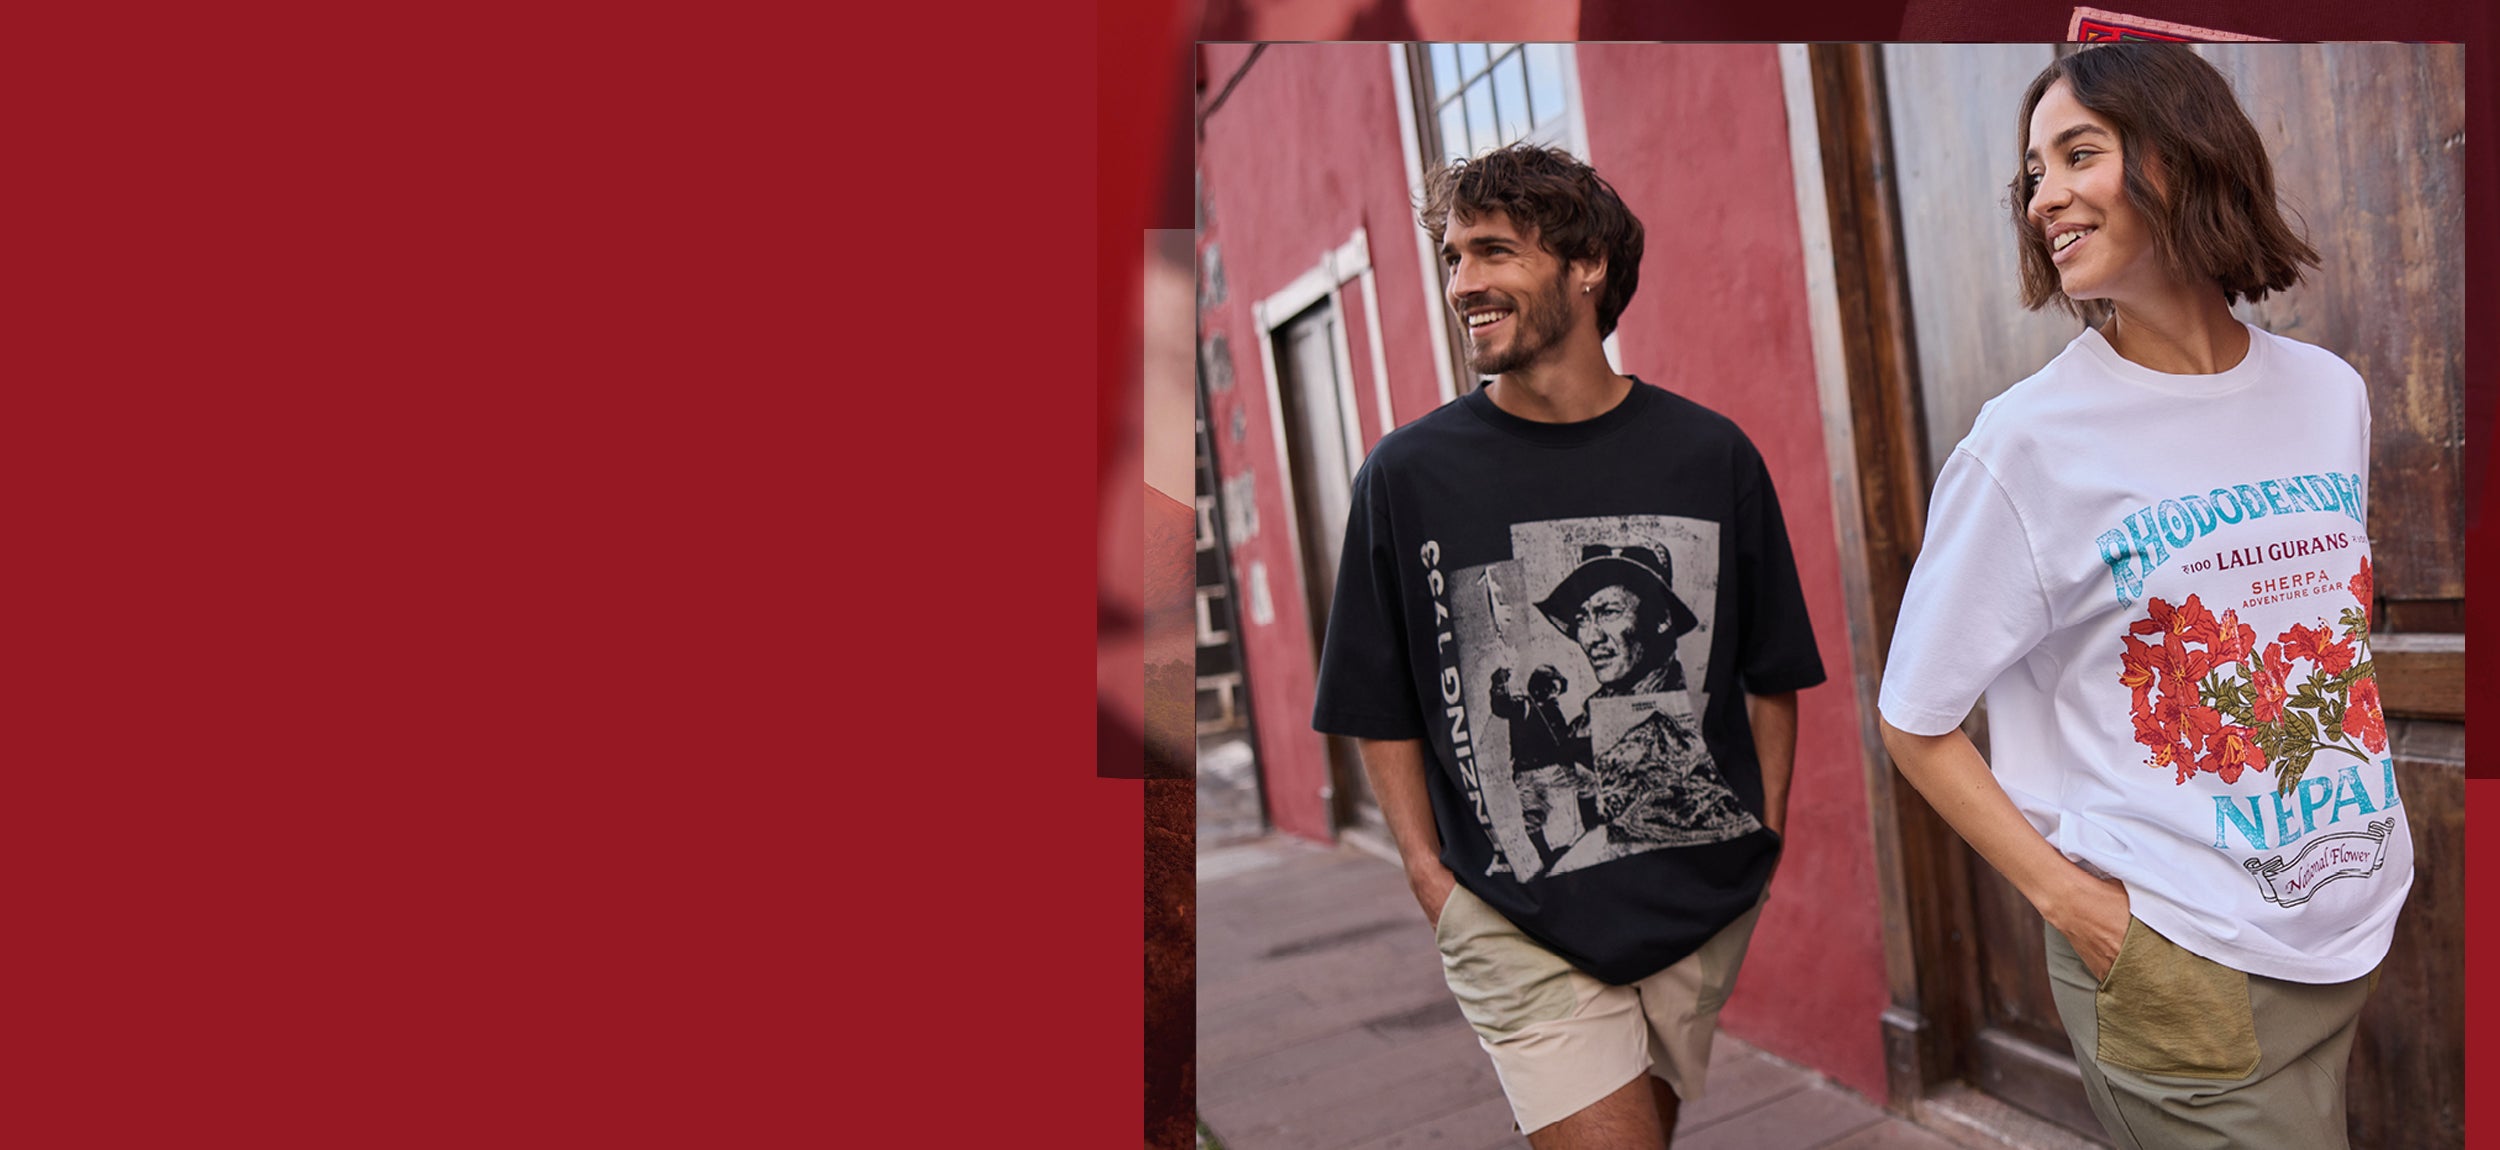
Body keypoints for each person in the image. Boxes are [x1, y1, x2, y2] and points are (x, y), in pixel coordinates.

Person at [1876, 43, 2411, 1150]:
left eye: (2080, 153)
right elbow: (1914, 717)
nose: (2044, 197)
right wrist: (2077, 908)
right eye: (2032, 171)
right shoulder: (2026, 445)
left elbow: (2326, 634)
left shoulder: (2327, 394)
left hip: (2343, 920)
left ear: (2183, 156)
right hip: (2179, 958)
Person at [1312, 142, 1825, 1148]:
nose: (1463, 284)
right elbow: (1375, 702)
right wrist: (1430, 877)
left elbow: (1771, 670)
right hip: (1511, 914)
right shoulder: (1406, 474)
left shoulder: (1708, 454)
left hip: (1695, 901)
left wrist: (1758, 837)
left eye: (1492, 253)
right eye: (1453, 258)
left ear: (1585, 265)